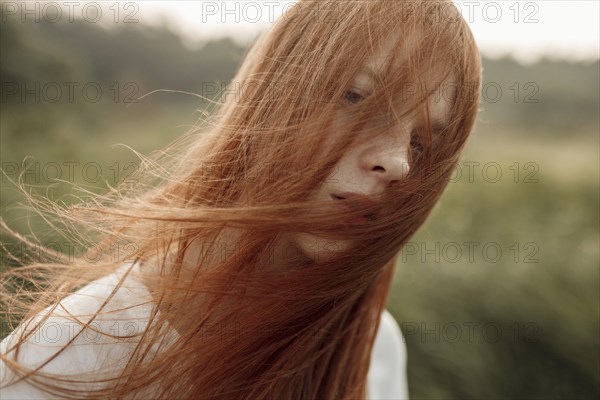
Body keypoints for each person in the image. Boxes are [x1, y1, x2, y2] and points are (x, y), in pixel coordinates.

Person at [0, 0, 482, 398]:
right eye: (357, 99)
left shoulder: (373, 347)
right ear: (269, 96)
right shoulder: (74, 355)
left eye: (423, 144)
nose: (399, 163)